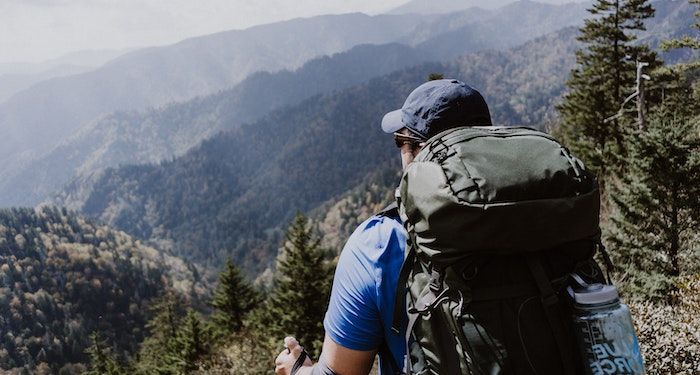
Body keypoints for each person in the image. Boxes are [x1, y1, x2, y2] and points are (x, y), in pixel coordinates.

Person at [275, 79, 493, 375]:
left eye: (401, 141)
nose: (400, 151)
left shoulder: (379, 245)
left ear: (415, 151)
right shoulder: (547, 217)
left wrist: (298, 368)